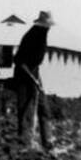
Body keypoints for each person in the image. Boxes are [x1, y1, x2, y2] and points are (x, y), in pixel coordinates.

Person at [14, 10, 53, 151]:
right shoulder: (31, 37)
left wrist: (37, 79)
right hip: (23, 74)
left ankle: (47, 142)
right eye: (46, 26)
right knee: (27, 109)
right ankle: (24, 144)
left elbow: (37, 61)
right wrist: (32, 79)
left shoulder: (42, 37)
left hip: (35, 72)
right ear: (40, 25)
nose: (48, 28)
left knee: (44, 108)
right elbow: (19, 60)